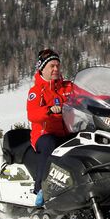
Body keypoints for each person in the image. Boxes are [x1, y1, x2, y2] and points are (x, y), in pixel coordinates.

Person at [27, 48, 73, 206]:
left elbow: (86, 95)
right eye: (52, 66)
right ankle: (40, 189)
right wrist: (48, 110)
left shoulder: (67, 87)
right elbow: (32, 114)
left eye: (58, 66)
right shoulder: (36, 92)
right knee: (49, 143)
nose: (56, 69)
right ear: (42, 68)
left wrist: (107, 98)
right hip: (43, 135)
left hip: (67, 132)